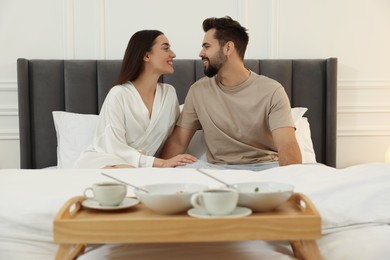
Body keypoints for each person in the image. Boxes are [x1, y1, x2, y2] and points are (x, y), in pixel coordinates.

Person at [161, 16, 302, 171]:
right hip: (219, 171)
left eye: (207, 46)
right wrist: (157, 172)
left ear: (228, 48)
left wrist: (290, 182)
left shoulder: (272, 91)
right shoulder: (198, 91)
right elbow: (179, 142)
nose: (201, 53)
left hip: (266, 168)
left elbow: (287, 146)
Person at [75, 30, 197, 169]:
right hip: (108, 162)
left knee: (136, 176)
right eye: (166, 48)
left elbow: (171, 140)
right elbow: (113, 146)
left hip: (141, 168)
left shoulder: (169, 94)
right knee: (129, 174)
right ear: (146, 55)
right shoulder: (119, 94)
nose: (173, 54)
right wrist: (159, 163)